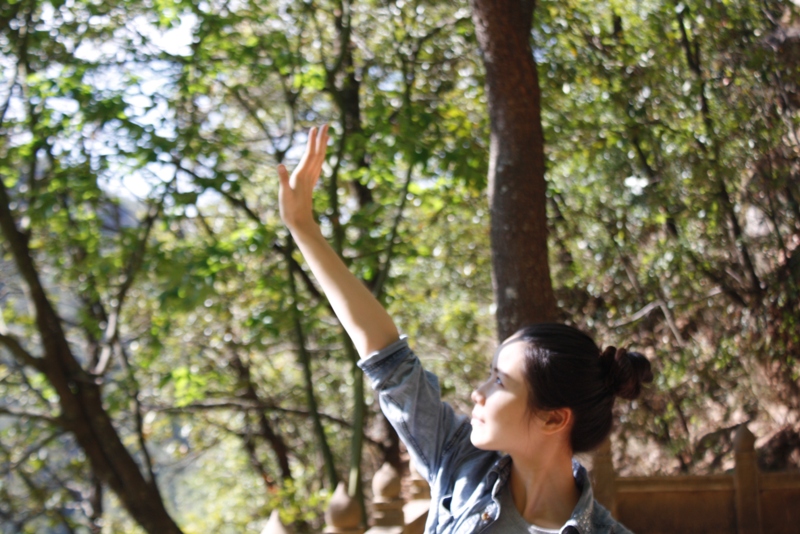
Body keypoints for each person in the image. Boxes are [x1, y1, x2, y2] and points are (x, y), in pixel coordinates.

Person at [277, 125, 653, 533]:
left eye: (499, 381)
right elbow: (387, 357)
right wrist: (304, 228)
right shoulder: (459, 463)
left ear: (552, 419)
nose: (478, 392)